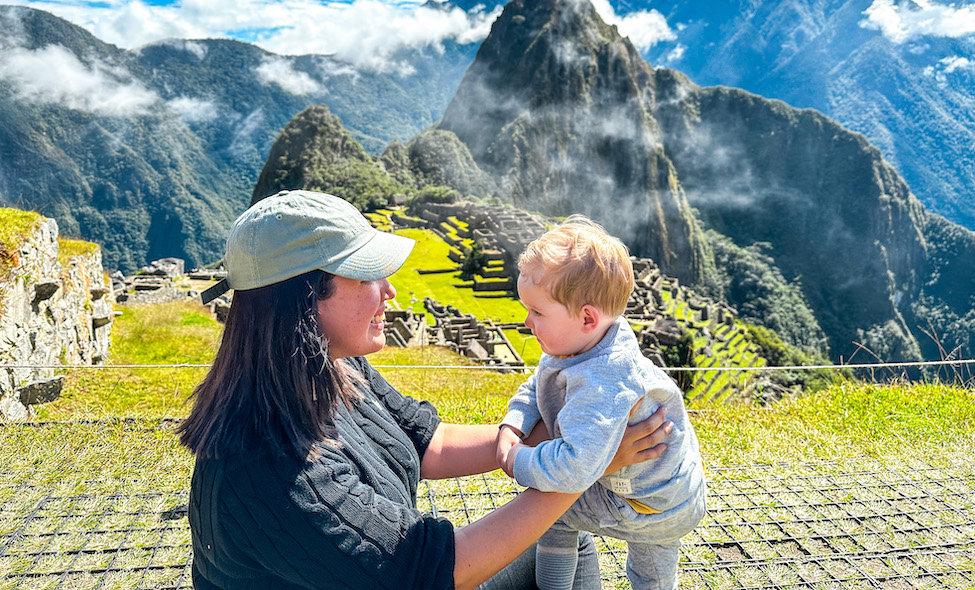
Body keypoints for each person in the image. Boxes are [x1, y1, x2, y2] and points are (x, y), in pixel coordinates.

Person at [179, 190, 673, 590]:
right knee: (553, 532)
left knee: (562, 542)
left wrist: (564, 433)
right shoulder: (271, 469)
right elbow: (431, 571)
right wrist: (587, 467)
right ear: (306, 298)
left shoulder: (334, 367)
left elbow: (427, 442)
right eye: (367, 274)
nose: (389, 290)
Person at [496, 216, 707, 590]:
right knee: (653, 572)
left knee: (551, 511)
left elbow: (573, 470)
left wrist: (518, 460)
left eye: (538, 312)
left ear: (587, 317)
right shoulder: (586, 341)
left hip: (646, 505)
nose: (527, 322)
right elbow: (541, 381)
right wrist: (515, 422)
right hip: (673, 491)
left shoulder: (605, 382)